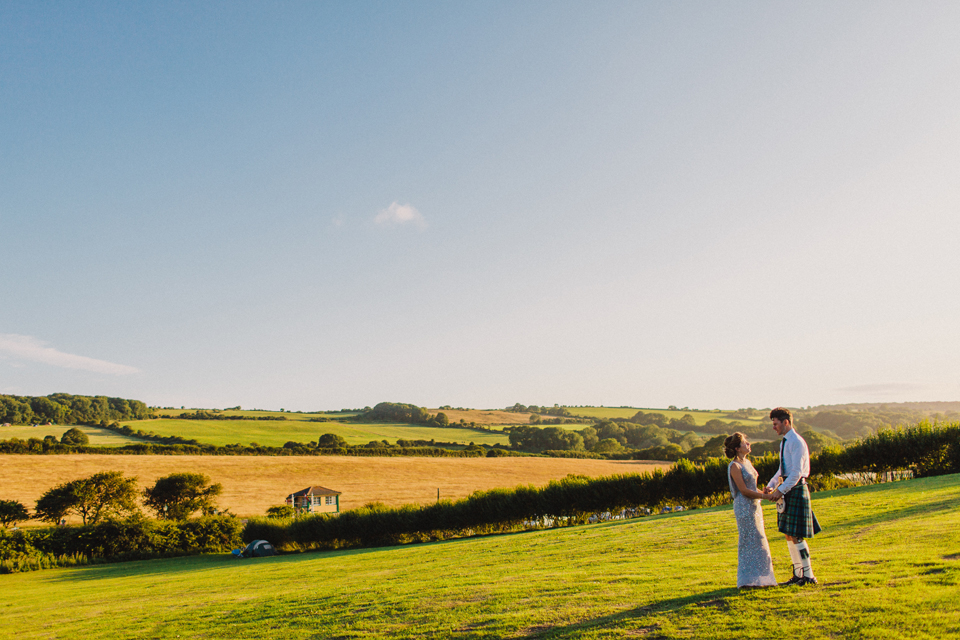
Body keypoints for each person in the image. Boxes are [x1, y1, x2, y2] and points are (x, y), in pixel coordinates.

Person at [764, 407, 821, 586]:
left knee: (796, 534)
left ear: (785, 422)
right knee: (789, 534)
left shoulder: (796, 442)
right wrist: (771, 485)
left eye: (775, 424)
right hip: (789, 487)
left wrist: (780, 491)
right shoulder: (785, 442)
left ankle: (808, 575)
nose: (774, 427)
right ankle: (798, 575)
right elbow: (783, 469)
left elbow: (796, 473)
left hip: (795, 487)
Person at [724, 432, 778, 588]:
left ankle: (760, 578)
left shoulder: (747, 462)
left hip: (755, 505)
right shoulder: (734, 466)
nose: (749, 444)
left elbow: (752, 488)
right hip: (744, 507)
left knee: (759, 540)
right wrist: (766, 497)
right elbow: (744, 490)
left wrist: (764, 492)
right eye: (745, 442)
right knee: (750, 540)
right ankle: (747, 579)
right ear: (737, 448)